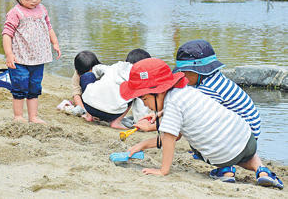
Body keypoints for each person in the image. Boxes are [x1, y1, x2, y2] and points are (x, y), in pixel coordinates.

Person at [122, 58, 284, 190]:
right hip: (247, 139)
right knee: (233, 146)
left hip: (223, 155)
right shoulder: (186, 91)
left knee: (197, 143)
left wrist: (163, 170)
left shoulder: (172, 105)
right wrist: (141, 145)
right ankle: (262, 171)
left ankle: (225, 170)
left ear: (159, 92)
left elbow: (170, 139)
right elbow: (173, 133)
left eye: (144, 99)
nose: (144, 105)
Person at [2, 0, 61, 124]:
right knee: (20, 88)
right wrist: (9, 54)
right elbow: (7, 34)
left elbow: (49, 27)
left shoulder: (42, 9)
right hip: (20, 58)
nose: (35, 0)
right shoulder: (16, 13)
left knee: (34, 88)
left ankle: (33, 116)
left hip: (38, 59)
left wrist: (54, 42)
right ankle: (18, 116)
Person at [81, 49, 151, 129]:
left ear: (126, 61)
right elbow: (140, 107)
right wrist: (140, 122)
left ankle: (88, 116)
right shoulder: (139, 80)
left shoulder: (115, 66)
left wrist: (99, 79)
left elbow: (97, 68)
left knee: (88, 76)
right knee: (134, 95)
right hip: (111, 114)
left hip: (89, 106)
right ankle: (116, 122)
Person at [66, 51, 101, 116]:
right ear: (79, 70)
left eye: (92, 69)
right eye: (87, 71)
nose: (91, 72)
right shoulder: (77, 74)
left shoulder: (103, 72)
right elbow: (76, 93)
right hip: (86, 98)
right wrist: (83, 110)